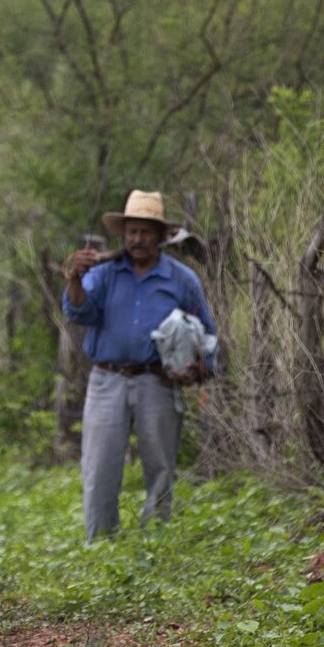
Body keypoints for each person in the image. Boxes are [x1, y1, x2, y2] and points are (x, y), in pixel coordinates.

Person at [62, 189, 220, 541]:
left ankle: (155, 543)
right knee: (99, 466)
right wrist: (73, 279)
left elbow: (207, 333)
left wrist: (202, 367)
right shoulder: (103, 274)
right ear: (124, 234)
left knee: (160, 465)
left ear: (161, 236)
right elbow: (79, 312)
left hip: (158, 381)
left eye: (146, 232)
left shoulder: (182, 280)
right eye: (132, 231)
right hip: (107, 378)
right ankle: (100, 542)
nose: (137, 239)